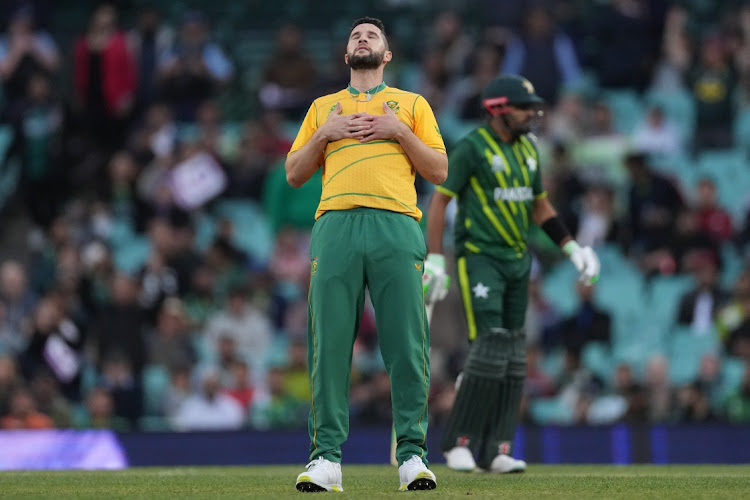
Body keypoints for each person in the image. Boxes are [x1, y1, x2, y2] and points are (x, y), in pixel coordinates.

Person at [285, 17, 447, 492]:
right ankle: (326, 460)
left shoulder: (412, 105)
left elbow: (438, 169)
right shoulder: (322, 108)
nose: (362, 38)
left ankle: (413, 456)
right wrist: (325, 134)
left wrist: (398, 130)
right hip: (335, 224)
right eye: (355, 35)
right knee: (329, 345)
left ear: (387, 54)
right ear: (345, 54)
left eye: (371, 35)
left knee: (406, 343)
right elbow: (294, 173)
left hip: (396, 223)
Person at [424, 74, 600, 473]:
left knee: (515, 355)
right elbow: (439, 204)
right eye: (523, 107)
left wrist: (572, 247)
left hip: (519, 260)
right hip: (479, 258)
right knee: (489, 346)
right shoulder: (472, 148)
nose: (531, 113)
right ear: (498, 109)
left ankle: (496, 449)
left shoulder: (530, 150)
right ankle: (458, 443)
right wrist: (435, 259)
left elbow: (540, 206)